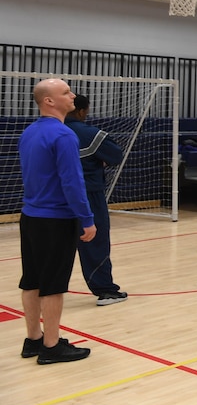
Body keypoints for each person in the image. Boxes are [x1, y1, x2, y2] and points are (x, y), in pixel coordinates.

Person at [18, 78, 97, 364]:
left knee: (32, 280)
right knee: (53, 284)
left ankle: (34, 339)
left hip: (30, 217)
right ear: (49, 101)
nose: (72, 95)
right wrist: (87, 219)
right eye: (65, 92)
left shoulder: (29, 132)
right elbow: (72, 182)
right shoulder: (63, 136)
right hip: (56, 220)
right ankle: (52, 346)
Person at [65, 95, 127, 306]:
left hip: (54, 199)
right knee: (95, 242)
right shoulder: (91, 134)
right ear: (82, 111)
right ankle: (105, 290)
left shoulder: (43, 132)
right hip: (88, 194)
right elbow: (116, 156)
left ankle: (46, 290)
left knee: (55, 247)